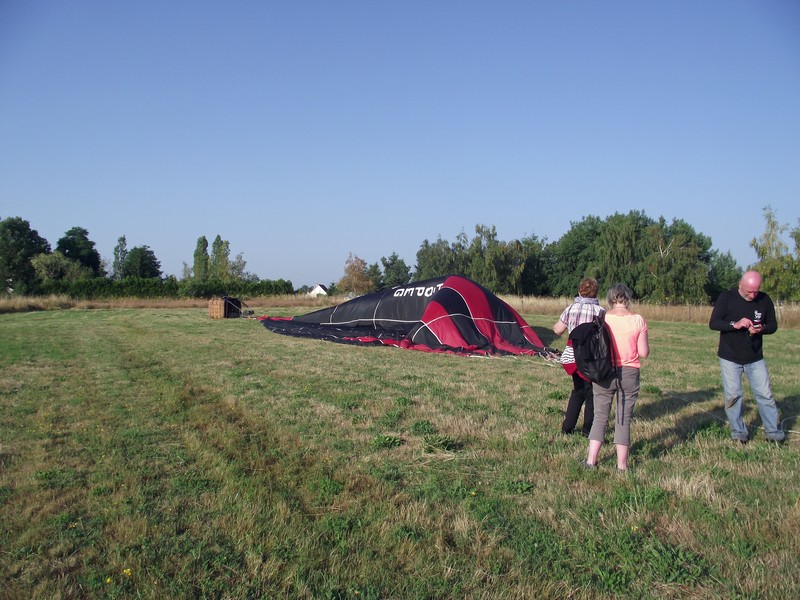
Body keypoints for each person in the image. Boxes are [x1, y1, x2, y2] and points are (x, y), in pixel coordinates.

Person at [709, 271, 785, 444]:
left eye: (755, 291)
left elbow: (773, 325)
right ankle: (739, 433)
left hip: (755, 357)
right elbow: (714, 323)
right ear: (740, 285)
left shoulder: (764, 300)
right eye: (749, 291)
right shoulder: (726, 297)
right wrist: (734, 325)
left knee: (765, 395)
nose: (752, 295)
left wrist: (762, 329)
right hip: (730, 357)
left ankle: (773, 433)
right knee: (733, 396)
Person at [584, 284, 649, 471]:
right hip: (629, 372)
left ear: (611, 299)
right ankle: (622, 465)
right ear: (628, 299)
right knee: (623, 419)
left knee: (600, 417)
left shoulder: (603, 318)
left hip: (604, 371)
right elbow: (643, 353)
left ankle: (591, 461)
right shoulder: (638, 320)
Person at [553, 277, 604, 436]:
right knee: (591, 394)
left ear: (579, 291)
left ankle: (567, 427)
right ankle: (588, 429)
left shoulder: (570, 309)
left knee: (578, 390)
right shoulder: (600, 311)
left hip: (573, 355)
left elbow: (557, 330)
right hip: (590, 357)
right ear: (595, 293)